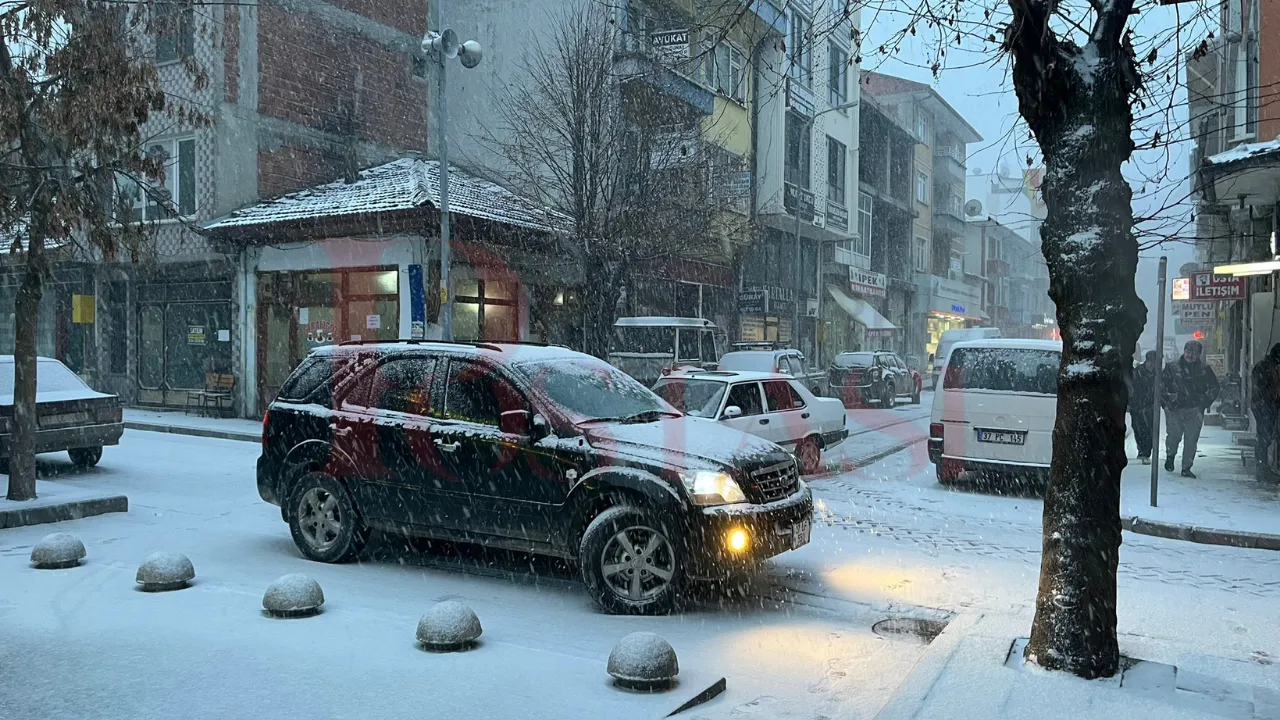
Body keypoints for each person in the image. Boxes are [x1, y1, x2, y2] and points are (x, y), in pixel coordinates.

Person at [1162, 340, 1219, 478]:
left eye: (1194, 352)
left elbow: (1214, 388)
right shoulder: (1172, 367)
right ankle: (1170, 455)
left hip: (1194, 410)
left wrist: (1203, 402)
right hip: (1175, 409)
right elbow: (1161, 385)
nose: (1190, 355)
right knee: (1174, 436)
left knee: (1191, 440)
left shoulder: (1205, 370)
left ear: (1199, 354)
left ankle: (1186, 467)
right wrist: (1167, 401)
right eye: (1188, 351)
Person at [1250, 343, 1280, 480]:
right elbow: (1262, 390)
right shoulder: (1264, 368)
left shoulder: (1270, 367)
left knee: (1266, 438)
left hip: (1266, 407)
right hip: (1263, 408)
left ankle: (1263, 468)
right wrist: (1271, 402)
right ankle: (1262, 469)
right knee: (1264, 438)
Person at [1129, 350, 1158, 464]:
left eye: (1154, 362)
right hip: (1137, 406)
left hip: (1150, 407)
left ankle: (1146, 452)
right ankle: (1142, 451)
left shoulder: (1158, 373)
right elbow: (1132, 389)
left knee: (1149, 430)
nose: (1152, 364)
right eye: (1150, 361)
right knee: (1138, 429)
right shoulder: (1138, 372)